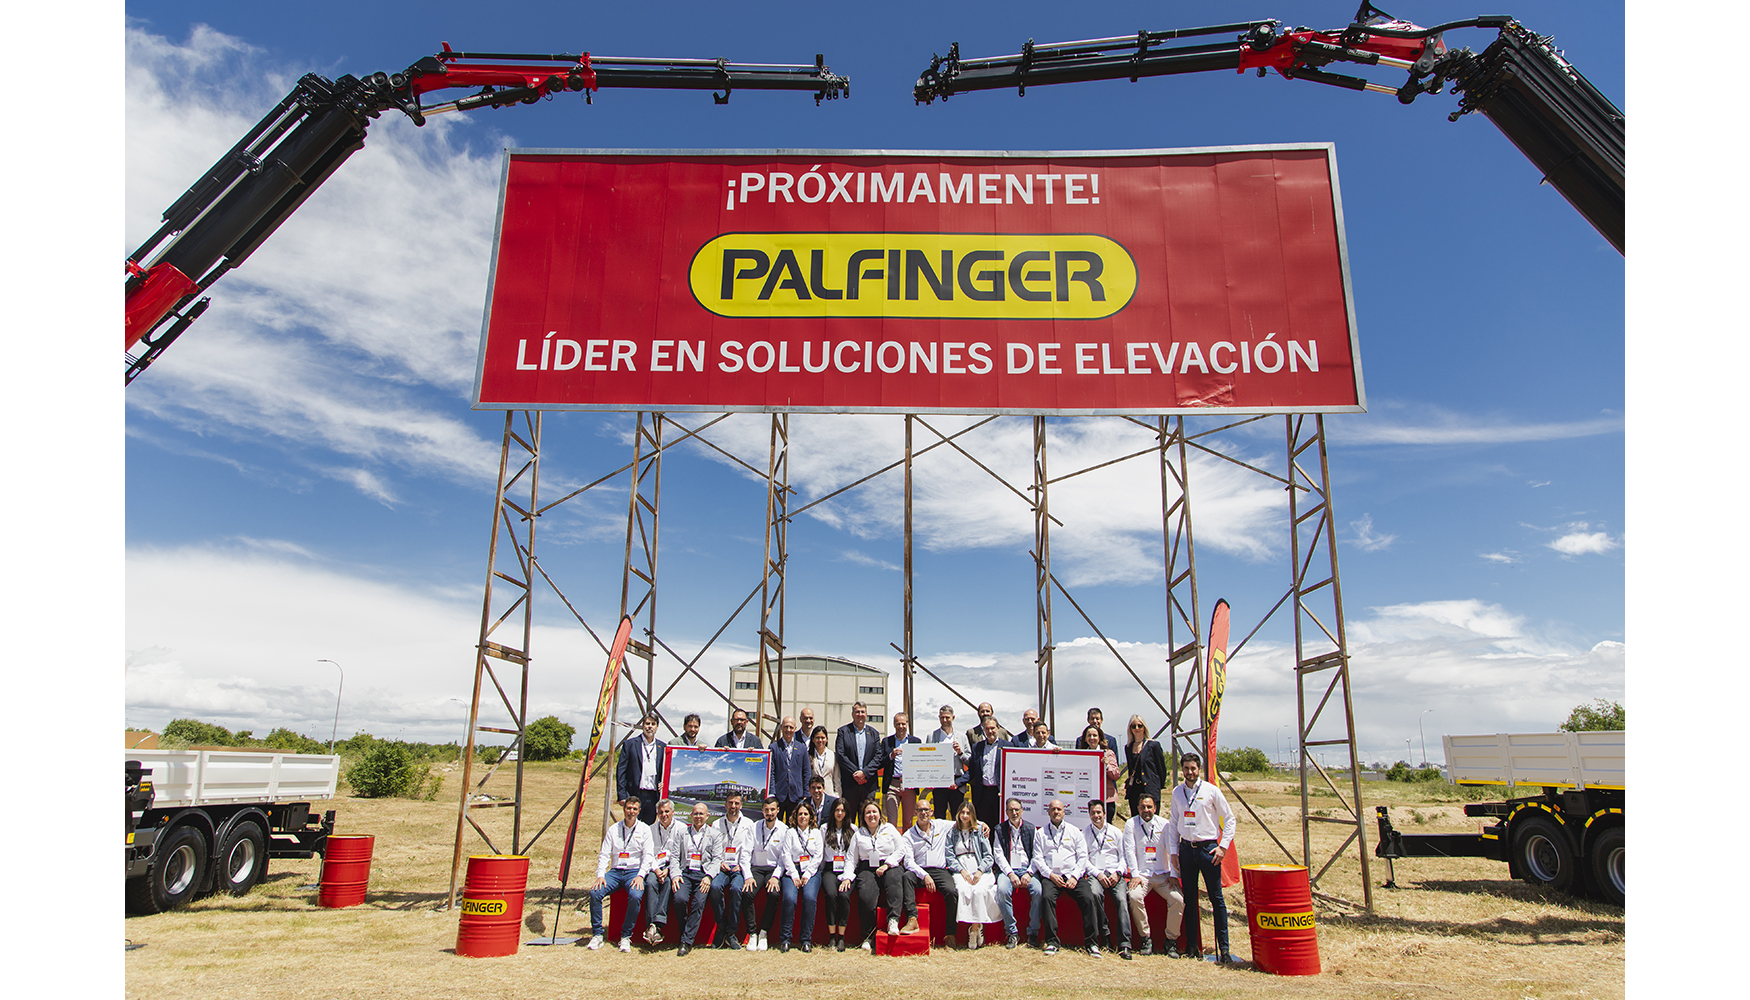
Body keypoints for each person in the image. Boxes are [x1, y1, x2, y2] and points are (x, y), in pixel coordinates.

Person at [1171, 752, 1236, 962]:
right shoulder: (1177, 793)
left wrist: (1222, 847)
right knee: (1189, 899)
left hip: (1208, 849)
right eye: (1186, 769)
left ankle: (1224, 949)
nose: (1190, 773)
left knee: (1217, 898)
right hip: (1186, 850)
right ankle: (1192, 947)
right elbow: (1173, 823)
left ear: (1199, 769)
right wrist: (1174, 851)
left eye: (1193, 768)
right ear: (1182, 770)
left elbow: (1230, 819)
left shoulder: (1211, 791)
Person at [588, 796, 654, 952]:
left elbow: (648, 856)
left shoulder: (644, 829)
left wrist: (641, 875)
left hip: (634, 872)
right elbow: (604, 854)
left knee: (636, 896)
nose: (631, 812)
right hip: (616, 872)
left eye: (634, 809)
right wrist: (601, 875)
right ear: (624, 809)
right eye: (628, 808)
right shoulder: (614, 829)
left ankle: (625, 936)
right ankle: (597, 934)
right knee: (595, 893)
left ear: (639, 811)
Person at [1033, 798, 1098, 956]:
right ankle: (1052, 942)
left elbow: (1083, 857)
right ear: (1048, 812)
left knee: (1089, 898)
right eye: (1053, 809)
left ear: (1064, 812)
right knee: (1047, 897)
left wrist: (1075, 876)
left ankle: (1092, 943)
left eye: (1059, 809)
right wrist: (1050, 875)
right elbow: (1038, 858)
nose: (1056, 812)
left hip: (1072, 875)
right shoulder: (1041, 833)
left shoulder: (1075, 832)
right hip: (1051, 876)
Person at [1123, 793, 1184, 957]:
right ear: (1138, 808)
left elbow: (1172, 849)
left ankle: (1170, 940)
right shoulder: (1131, 824)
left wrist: (1173, 873)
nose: (1146, 810)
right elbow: (1129, 850)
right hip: (1142, 876)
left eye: (1149, 807)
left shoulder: (1165, 824)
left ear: (1155, 808)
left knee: (1178, 899)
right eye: (1142, 807)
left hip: (1163, 875)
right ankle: (1145, 938)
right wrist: (1134, 874)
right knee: (1134, 896)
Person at [848, 799, 907, 950]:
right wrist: (847, 877)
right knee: (866, 896)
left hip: (889, 864)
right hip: (867, 867)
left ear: (880, 815)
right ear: (863, 816)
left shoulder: (890, 829)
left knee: (895, 880)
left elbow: (901, 849)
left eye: (874, 812)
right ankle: (868, 937)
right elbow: (851, 859)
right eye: (868, 812)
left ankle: (893, 920)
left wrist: (888, 864)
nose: (871, 815)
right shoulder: (858, 834)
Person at [671, 802, 723, 956]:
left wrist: (708, 876)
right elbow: (674, 856)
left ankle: (686, 941)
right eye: (695, 813)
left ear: (708, 816)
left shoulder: (715, 834)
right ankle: (684, 930)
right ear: (691, 815)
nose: (698, 817)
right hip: (685, 873)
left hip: (703, 874)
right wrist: (675, 875)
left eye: (701, 814)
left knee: (698, 902)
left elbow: (717, 859)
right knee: (679, 899)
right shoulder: (682, 832)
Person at [901, 798, 957, 942]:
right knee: (906, 877)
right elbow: (908, 862)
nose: (923, 813)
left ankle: (950, 935)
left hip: (940, 870)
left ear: (931, 812)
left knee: (951, 891)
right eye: (920, 810)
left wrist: (983, 825)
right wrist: (924, 875)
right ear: (915, 813)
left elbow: (964, 821)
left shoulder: (941, 825)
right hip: (919, 871)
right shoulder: (908, 835)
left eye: (926, 810)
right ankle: (912, 919)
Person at [1083, 798, 1132, 960]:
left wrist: (1118, 872)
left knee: (1122, 899)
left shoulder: (1116, 832)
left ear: (1105, 813)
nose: (1096, 816)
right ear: (1089, 815)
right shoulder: (1084, 834)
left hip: (1115, 875)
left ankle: (1125, 944)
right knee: (1095, 894)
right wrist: (1098, 874)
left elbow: (1124, 857)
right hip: (1096, 875)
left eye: (1099, 812)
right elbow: (1084, 860)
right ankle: (1105, 934)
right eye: (1093, 813)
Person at [946, 800, 998, 948]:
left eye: (968, 813)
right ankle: (977, 927)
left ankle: (974, 929)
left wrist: (980, 871)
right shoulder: (952, 832)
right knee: (963, 890)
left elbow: (988, 856)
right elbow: (949, 856)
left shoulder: (979, 830)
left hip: (980, 869)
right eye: (962, 812)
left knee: (979, 890)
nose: (965, 815)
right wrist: (962, 871)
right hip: (961, 870)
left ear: (972, 815)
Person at [993, 797, 1044, 948]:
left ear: (1022, 811)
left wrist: (1029, 873)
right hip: (1008, 871)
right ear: (1006, 812)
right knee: (1002, 890)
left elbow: (1037, 854)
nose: (1014, 813)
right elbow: (998, 855)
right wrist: (1010, 874)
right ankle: (1012, 932)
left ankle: (1033, 933)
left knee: (1039, 891)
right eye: (1011, 810)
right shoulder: (999, 829)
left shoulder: (1031, 828)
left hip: (1027, 870)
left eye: (1017, 810)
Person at [742, 796, 789, 951]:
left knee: (774, 894)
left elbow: (784, 859)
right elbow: (745, 854)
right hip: (756, 868)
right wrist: (748, 876)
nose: (769, 813)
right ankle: (752, 933)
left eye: (772, 810)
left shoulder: (784, 830)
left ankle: (763, 932)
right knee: (748, 893)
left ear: (778, 811)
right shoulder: (754, 828)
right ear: (762, 811)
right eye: (766, 810)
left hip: (773, 869)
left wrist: (776, 877)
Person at [709, 791, 755, 948]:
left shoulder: (749, 824)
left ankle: (731, 932)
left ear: (741, 805)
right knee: (715, 887)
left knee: (737, 889)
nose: (733, 806)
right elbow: (713, 848)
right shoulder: (716, 824)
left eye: (736, 803)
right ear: (725, 804)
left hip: (739, 867)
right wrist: (720, 861)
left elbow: (750, 849)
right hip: (722, 867)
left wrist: (741, 865)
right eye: (730, 802)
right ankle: (721, 926)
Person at [779, 800, 824, 952]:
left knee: (810, 898)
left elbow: (818, 856)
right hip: (793, 870)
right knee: (790, 899)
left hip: (810, 871)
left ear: (811, 816)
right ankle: (785, 938)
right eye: (800, 814)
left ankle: (805, 939)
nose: (803, 817)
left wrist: (807, 874)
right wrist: (794, 875)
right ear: (795, 816)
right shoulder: (790, 832)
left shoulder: (816, 833)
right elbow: (785, 855)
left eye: (806, 814)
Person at [642, 798, 686, 945]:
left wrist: (668, 870)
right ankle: (655, 927)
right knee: (649, 883)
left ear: (673, 813)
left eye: (667, 811)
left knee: (668, 884)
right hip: (655, 867)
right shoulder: (650, 829)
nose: (664, 815)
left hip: (672, 867)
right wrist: (656, 869)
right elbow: (648, 853)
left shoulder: (682, 828)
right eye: (661, 812)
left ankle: (654, 925)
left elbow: (682, 854)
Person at [835, 701, 887, 819]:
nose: (860, 714)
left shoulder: (874, 733)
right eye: (857, 712)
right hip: (850, 785)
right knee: (849, 820)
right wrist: (856, 773)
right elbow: (840, 755)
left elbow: (878, 756)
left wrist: (865, 773)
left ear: (866, 714)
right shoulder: (843, 732)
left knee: (868, 819)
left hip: (868, 785)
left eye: (862, 712)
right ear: (852, 714)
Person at [820, 797, 856, 951]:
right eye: (837, 810)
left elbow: (853, 857)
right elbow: (820, 854)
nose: (839, 813)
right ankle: (832, 937)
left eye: (842, 810)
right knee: (831, 895)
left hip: (847, 870)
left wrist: (847, 877)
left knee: (844, 896)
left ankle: (841, 937)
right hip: (830, 869)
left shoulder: (853, 829)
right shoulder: (824, 829)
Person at [616, 713, 666, 822]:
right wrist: (622, 795)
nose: (650, 727)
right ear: (642, 725)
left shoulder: (662, 747)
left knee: (648, 829)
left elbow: (665, 771)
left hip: (653, 796)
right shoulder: (630, 744)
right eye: (647, 723)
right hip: (634, 793)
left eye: (653, 724)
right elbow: (621, 771)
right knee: (631, 825)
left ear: (657, 726)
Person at [925, 704, 970, 821]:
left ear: (953, 717)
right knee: (939, 817)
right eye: (942, 717)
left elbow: (970, 761)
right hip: (939, 782)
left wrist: (960, 752)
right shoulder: (932, 736)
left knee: (958, 816)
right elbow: (927, 760)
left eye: (947, 717)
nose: (945, 720)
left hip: (956, 783)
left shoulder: (962, 737)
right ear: (939, 718)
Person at [881, 712, 922, 827]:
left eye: (903, 724)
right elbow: (880, 762)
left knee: (908, 822)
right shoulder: (886, 742)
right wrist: (890, 756)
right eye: (898, 724)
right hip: (892, 784)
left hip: (909, 784)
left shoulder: (916, 742)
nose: (901, 727)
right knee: (892, 822)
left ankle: (907, 845)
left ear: (907, 725)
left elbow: (921, 762)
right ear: (894, 725)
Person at [1123, 715, 1168, 820]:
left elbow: (1161, 769)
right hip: (1135, 790)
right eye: (1133, 726)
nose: (1137, 728)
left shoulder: (1153, 745)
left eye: (1140, 725)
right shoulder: (1128, 747)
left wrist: (1157, 785)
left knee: (1152, 820)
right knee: (1136, 820)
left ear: (1144, 727)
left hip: (1150, 789)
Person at [769, 716, 810, 822]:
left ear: (795, 728)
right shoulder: (773, 747)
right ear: (781, 727)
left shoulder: (802, 748)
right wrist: (772, 792)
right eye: (786, 727)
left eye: (791, 727)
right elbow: (771, 772)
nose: (788, 730)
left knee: (793, 826)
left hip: (796, 795)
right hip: (779, 795)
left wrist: (806, 794)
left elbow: (806, 772)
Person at [969, 717, 1006, 830]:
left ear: (998, 728)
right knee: (984, 827)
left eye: (992, 728)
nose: (990, 731)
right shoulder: (977, 747)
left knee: (1000, 827)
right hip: (982, 794)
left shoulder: (1007, 746)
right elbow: (971, 772)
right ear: (983, 730)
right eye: (987, 729)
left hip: (999, 795)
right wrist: (956, 783)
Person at [1083, 723, 1121, 825]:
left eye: (1095, 735)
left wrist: (1107, 765)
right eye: (1089, 735)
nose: (1092, 738)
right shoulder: (1081, 755)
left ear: (1099, 738)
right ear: (1085, 739)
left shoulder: (1108, 753)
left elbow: (1116, 775)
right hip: (1086, 798)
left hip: (1106, 800)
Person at [808, 725, 839, 797]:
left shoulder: (833, 755)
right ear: (813, 739)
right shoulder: (808, 755)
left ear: (827, 739)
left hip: (829, 794)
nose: (820, 740)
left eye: (823, 738)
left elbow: (837, 778)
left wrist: (837, 795)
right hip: (813, 794)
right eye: (817, 738)